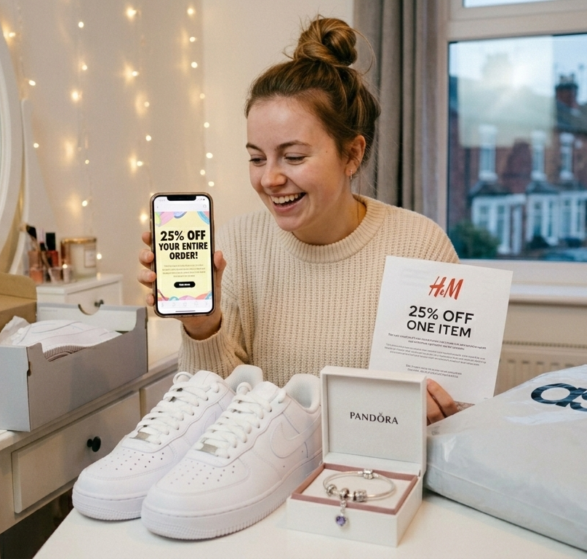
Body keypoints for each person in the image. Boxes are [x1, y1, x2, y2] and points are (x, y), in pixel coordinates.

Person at [139, 17, 461, 423]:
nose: (270, 178)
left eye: (293, 157)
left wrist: (445, 411)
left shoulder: (420, 246)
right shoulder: (237, 244)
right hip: (262, 471)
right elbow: (209, 415)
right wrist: (203, 326)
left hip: (378, 476)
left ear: (352, 154)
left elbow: (457, 406)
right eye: (256, 158)